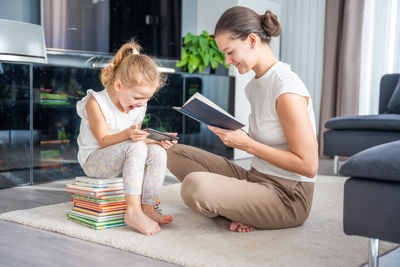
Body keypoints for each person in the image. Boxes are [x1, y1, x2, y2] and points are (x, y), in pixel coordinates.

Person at [167, 6, 318, 233]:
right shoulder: (255, 84)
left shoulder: (286, 89)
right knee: (174, 153)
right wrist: (232, 134)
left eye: (230, 52)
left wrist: (246, 144)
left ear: (252, 41)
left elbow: (308, 166)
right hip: (254, 177)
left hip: (288, 195)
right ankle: (241, 209)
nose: (227, 61)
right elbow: (270, 140)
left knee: (194, 186)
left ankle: (242, 211)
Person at [76, 40, 177, 235]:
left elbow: (135, 139)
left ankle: (148, 206)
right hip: (94, 160)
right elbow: (104, 140)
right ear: (119, 85)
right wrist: (129, 135)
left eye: (147, 99)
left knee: (157, 151)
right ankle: (133, 211)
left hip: (122, 155)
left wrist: (155, 140)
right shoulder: (96, 103)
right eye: (138, 98)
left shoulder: (138, 105)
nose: (141, 104)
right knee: (138, 147)